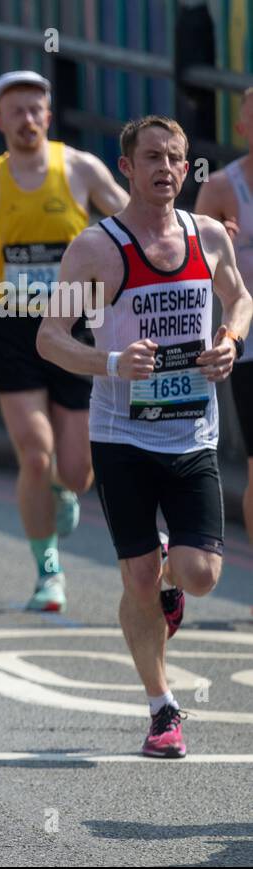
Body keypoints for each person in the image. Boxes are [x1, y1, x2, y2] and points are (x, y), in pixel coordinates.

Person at [38, 115, 251, 757]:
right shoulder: (96, 248)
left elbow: (241, 298)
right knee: (138, 579)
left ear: (188, 170)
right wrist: (110, 362)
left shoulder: (208, 236)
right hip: (121, 435)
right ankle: (162, 709)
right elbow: (50, 337)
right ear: (126, 167)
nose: (165, 168)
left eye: (177, 158)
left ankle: (168, 581)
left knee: (201, 573)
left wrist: (229, 341)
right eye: (152, 156)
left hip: (192, 436)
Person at [0, 71, 128, 612]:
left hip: (76, 326)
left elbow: (134, 218)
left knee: (75, 468)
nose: (27, 119)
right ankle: (48, 573)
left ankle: (64, 488)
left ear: (49, 116)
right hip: (14, 327)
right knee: (34, 452)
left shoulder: (80, 168)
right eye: (16, 110)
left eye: (36, 109)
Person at [194, 86, 253, 544]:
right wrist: (222, 241)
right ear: (240, 128)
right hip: (248, 338)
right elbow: (192, 265)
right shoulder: (219, 188)